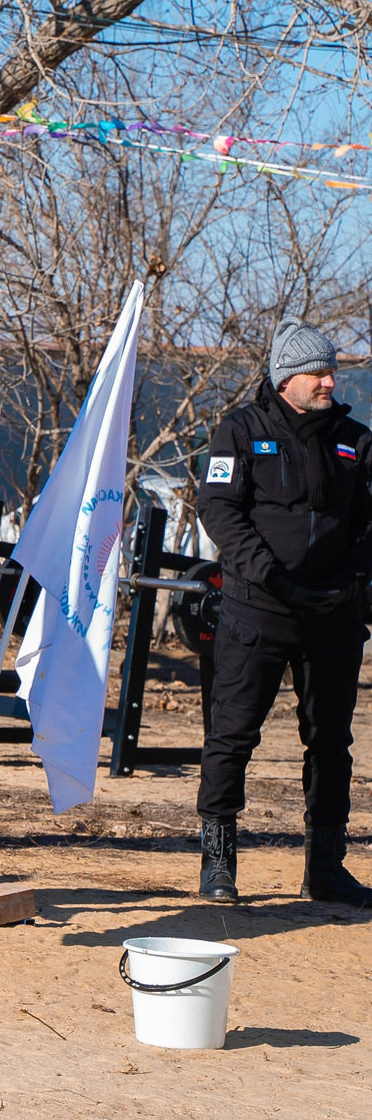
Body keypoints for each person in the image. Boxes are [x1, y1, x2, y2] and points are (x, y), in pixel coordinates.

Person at [193, 318, 372, 907]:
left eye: (331, 371)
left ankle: (326, 868)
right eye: (318, 372)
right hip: (258, 611)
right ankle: (218, 864)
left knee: (330, 743)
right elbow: (219, 511)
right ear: (286, 378)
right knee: (231, 737)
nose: (329, 381)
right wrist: (271, 576)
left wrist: (351, 581)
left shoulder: (355, 440)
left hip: (334, 617)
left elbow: (368, 523)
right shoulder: (240, 431)